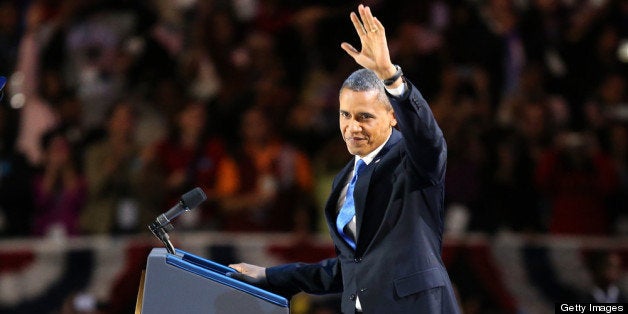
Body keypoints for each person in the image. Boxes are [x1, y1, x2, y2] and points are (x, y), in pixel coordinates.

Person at [227, 4, 461, 313]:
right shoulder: (345, 179)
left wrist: (391, 77)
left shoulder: (412, 160)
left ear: (392, 116)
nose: (352, 127)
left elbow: (429, 140)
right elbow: (351, 268)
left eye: (364, 116)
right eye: (345, 115)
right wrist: (269, 274)